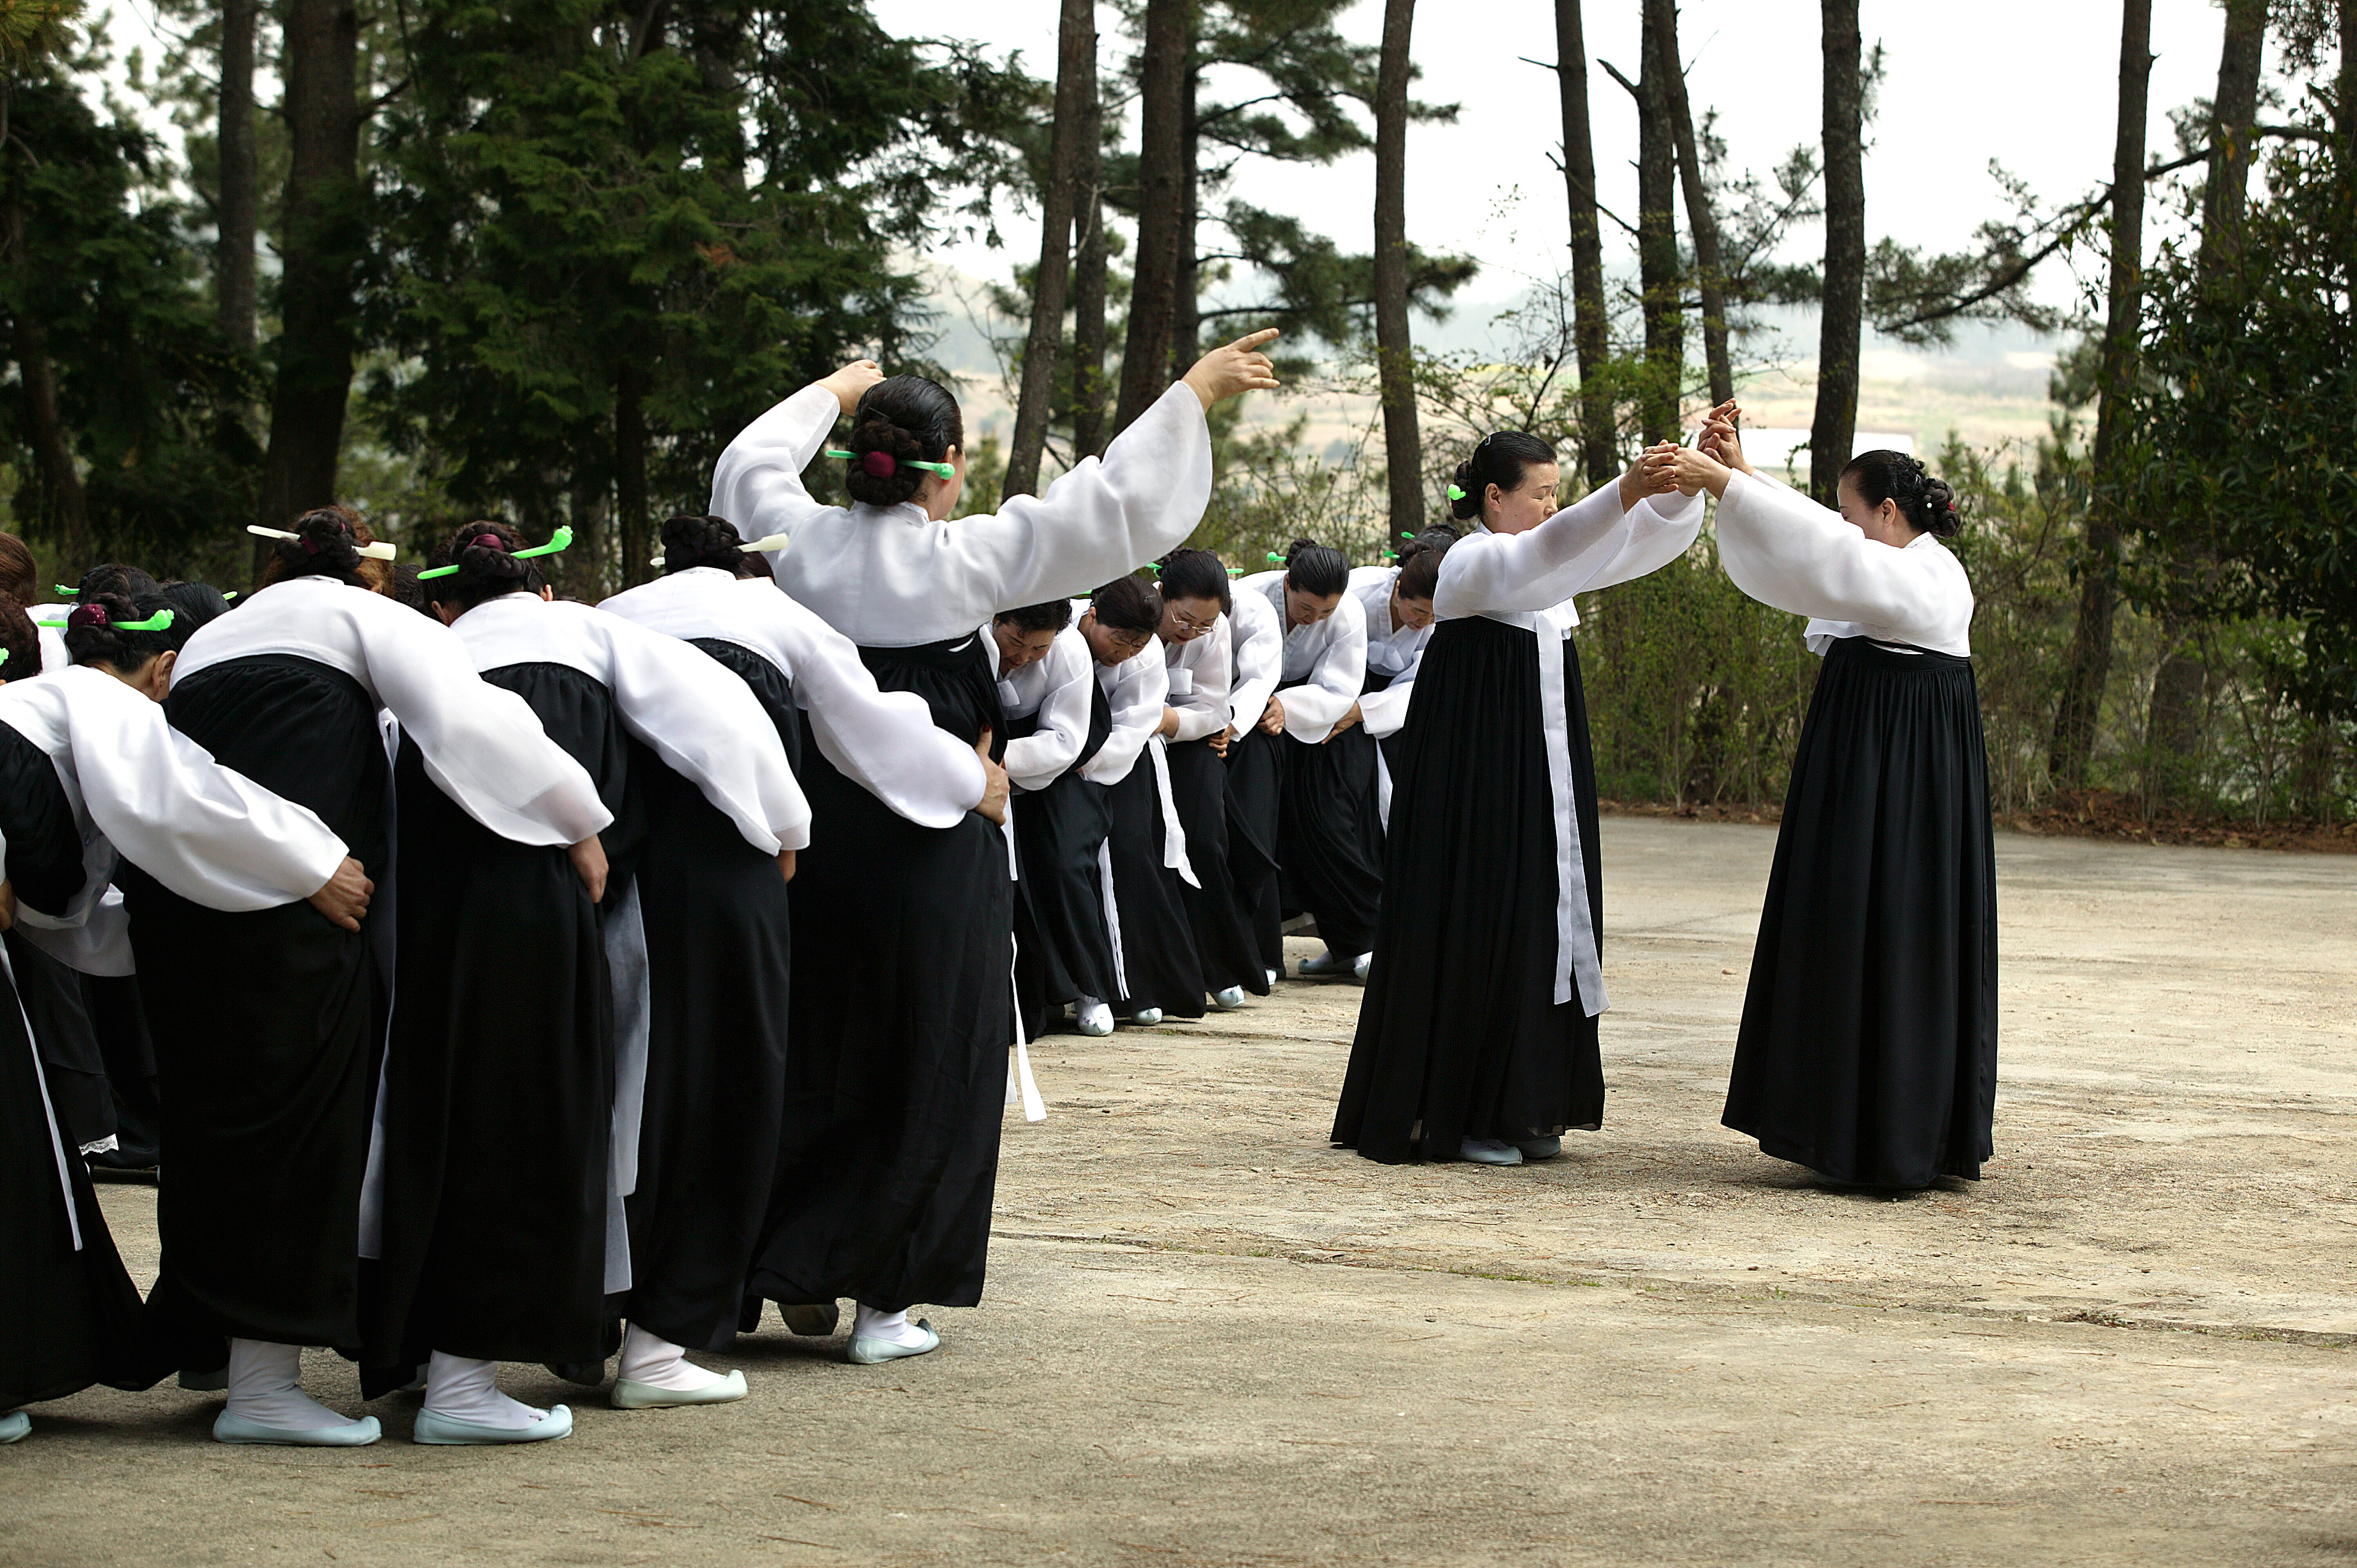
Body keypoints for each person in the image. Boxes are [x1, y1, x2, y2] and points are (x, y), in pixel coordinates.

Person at [706, 331, 1275, 1363]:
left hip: (808, 836)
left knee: (803, 1042)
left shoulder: (793, 543)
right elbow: (1109, 507)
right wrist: (1190, 387)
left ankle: (770, 1262)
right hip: (935, 838)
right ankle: (885, 1303)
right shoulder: (965, 558)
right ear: (951, 468)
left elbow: (745, 465)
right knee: (928, 1050)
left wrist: (833, 386)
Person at [122, 507, 611, 1446]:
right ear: (369, 578)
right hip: (303, 906)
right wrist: (578, 819)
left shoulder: (216, 635)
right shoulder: (363, 621)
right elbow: (472, 718)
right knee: (305, 1128)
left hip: (189, 903)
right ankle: (268, 1390)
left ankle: (248, 1367)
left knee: (229, 1128)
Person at [358, 520, 803, 1440]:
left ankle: (428, 1354)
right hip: (548, 907)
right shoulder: (592, 635)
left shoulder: (419, 664)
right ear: (548, 589)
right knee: (541, 1123)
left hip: (427, 929)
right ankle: (477, 1380)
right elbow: (724, 724)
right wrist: (781, 828)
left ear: (446, 602)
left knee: (438, 1125)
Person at [603, 515, 1000, 1366]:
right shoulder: (780, 614)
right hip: (751, 863)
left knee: (635, 1085)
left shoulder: (618, 610)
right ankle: (690, 1332)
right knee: (752, 1077)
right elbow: (876, 730)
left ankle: (627, 1307)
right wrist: (971, 781)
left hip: (618, 866)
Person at [1, 593, 367, 1442]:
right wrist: (314, 862)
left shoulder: (52, 719)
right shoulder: (98, 701)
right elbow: (182, 797)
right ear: (161, 669)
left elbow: (72, 917)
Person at [1332, 434, 1699, 1167]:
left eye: (1556, 493)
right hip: (1480, 772)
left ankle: (1525, 1102)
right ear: (1493, 497)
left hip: (1541, 770)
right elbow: (1552, 547)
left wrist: (1688, 484)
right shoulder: (1473, 558)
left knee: (1541, 914)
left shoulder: (1546, 563)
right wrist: (1624, 489)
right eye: (1538, 492)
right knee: (1483, 913)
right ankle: (1462, 1113)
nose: (1550, 505)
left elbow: (1625, 546)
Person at [1670, 412, 1996, 1189]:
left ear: (1889, 513)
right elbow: (1823, 534)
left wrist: (1726, 487)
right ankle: (1838, 1121)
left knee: (1889, 923)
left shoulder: (1930, 576)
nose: (1846, 526)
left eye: (1857, 514)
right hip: (1867, 751)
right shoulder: (1893, 557)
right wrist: (1741, 477)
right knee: (1844, 917)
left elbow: (1829, 550)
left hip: (1902, 767)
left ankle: (1892, 1133)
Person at [1235, 540, 1372, 981]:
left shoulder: (1347, 616)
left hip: (1313, 722)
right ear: (1288, 582)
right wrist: (1257, 704)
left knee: (1326, 823)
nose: (1313, 620)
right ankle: (1254, 943)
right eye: (1307, 608)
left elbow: (1339, 687)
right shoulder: (1253, 597)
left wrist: (1287, 707)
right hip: (1247, 714)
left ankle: (1355, 937)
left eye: (1325, 613)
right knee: (1255, 820)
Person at [1077, 575, 1200, 1026]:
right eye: (1120, 640)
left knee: (1131, 852)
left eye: (1138, 643)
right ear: (1092, 617)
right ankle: (1089, 985)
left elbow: (1133, 727)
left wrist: (1082, 764)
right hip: (1058, 761)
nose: (1125, 652)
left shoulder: (1145, 657)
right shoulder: (1065, 632)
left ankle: (1142, 984)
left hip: (1118, 759)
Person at [992, 600, 1118, 1039]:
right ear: (996, 620)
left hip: (1053, 767)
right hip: (975, 761)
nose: (1023, 658)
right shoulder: (971, 633)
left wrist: (997, 758)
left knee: (1064, 862)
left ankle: (1090, 987)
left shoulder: (1070, 651)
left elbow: (1065, 740)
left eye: (1038, 649)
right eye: (1014, 643)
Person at [1152, 549, 1265, 1011]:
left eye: (1204, 624)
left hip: (1186, 739)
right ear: (1162, 594)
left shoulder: (1211, 631)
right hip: (1130, 746)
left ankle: (1218, 964)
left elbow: (1213, 707)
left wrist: (1169, 721)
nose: (1190, 631)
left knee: (1205, 841)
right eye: (1184, 618)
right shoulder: (1131, 613)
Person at [1338, 528, 1456, 827]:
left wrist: (1363, 712)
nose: (1424, 622)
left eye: (1432, 616)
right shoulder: (1359, 589)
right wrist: (1341, 704)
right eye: (1418, 611)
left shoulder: (1444, 617)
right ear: (1399, 587)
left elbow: (1421, 682)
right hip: (1343, 684)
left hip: (1396, 708)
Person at [1220, 569, 1286, 986]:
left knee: (1254, 836)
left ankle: (1260, 951)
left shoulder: (1254, 609)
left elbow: (1258, 680)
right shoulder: (1160, 614)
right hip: (1191, 729)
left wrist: (1231, 724)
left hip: (1248, 725)